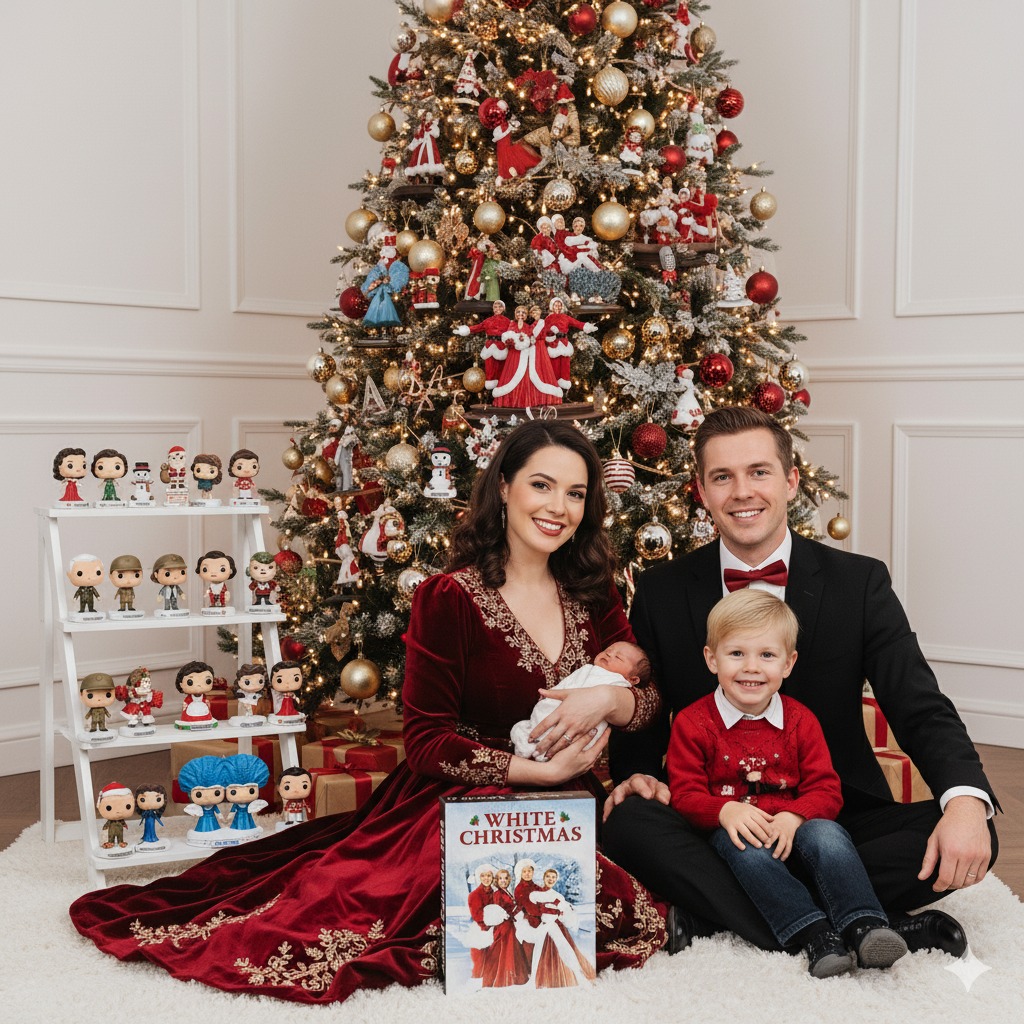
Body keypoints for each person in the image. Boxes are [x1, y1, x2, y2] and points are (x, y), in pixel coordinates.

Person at [69, 419, 667, 1004]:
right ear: (504, 486)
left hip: (574, 792)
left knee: (604, 897)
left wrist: (610, 699)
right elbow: (428, 741)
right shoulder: (447, 596)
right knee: (380, 908)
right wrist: (536, 774)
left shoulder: (595, 592)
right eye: (542, 484)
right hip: (464, 790)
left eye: (576, 492)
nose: (558, 506)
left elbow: (645, 706)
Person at [604, 405, 998, 958]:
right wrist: (638, 774)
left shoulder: (858, 582)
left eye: (759, 472)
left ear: (791, 480)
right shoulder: (663, 589)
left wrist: (963, 802)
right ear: (701, 490)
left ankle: (715, 912)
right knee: (627, 823)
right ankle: (855, 920)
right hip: (716, 820)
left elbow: (917, 702)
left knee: (968, 826)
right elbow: (645, 712)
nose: (743, 492)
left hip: (832, 816)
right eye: (723, 476)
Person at [670, 589, 907, 977]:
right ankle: (814, 933)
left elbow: (827, 789)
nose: (751, 668)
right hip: (738, 836)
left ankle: (864, 924)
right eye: (736, 654)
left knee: (828, 835)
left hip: (796, 830)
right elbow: (684, 795)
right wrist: (725, 809)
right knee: (743, 847)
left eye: (766, 655)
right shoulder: (693, 723)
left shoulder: (800, 721)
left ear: (788, 663)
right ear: (712, 659)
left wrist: (796, 817)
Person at [511, 640, 651, 761]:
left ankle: (541, 752)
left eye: (618, 657)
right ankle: (532, 745)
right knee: (530, 725)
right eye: (608, 650)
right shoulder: (587, 669)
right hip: (555, 708)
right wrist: (550, 694)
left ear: (633, 679)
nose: (609, 654)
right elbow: (566, 685)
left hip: (582, 727)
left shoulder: (620, 683)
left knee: (570, 741)